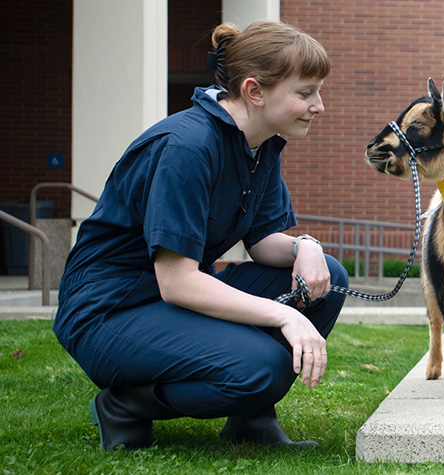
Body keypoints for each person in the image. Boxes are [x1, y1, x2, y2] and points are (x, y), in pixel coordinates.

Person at [53, 20, 348, 451]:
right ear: (254, 91)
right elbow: (178, 283)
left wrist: (307, 246)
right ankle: (125, 405)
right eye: (305, 92)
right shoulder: (187, 147)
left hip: (171, 296)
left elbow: (264, 243)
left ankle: (250, 419)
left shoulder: (261, 143)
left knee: (329, 279)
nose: (319, 105)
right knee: (259, 368)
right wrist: (287, 316)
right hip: (110, 310)